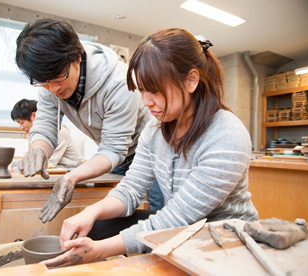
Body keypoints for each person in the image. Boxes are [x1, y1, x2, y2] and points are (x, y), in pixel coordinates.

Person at [40, 28, 259, 267]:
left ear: (191, 80)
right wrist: (91, 212)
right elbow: (131, 189)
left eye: (154, 90)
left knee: (113, 243)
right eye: (142, 90)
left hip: (225, 239)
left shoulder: (227, 135)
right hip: (185, 230)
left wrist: (99, 250)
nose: (146, 102)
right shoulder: (155, 129)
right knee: (97, 226)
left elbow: (175, 219)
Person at [15, 18, 155, 222]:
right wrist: (37, 149)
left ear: (77, 58)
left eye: (58, 77)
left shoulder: (119, 82)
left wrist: (72, 176)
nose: (53, 89)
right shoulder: (48, 83)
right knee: (115, 215)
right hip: (117, 157)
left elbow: (113, 149)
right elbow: (45, 127)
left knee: (156, 216)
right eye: (44, 82)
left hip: (149, 152)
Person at [10, 99, 84, 169]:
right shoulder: (36, 135)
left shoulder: (59, 131)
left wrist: (18, 167)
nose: (21, 127)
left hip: (70, 171)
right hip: (56, 169)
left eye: (21, 122)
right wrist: (12, 164)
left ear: (34, 116)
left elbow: (47, 163)